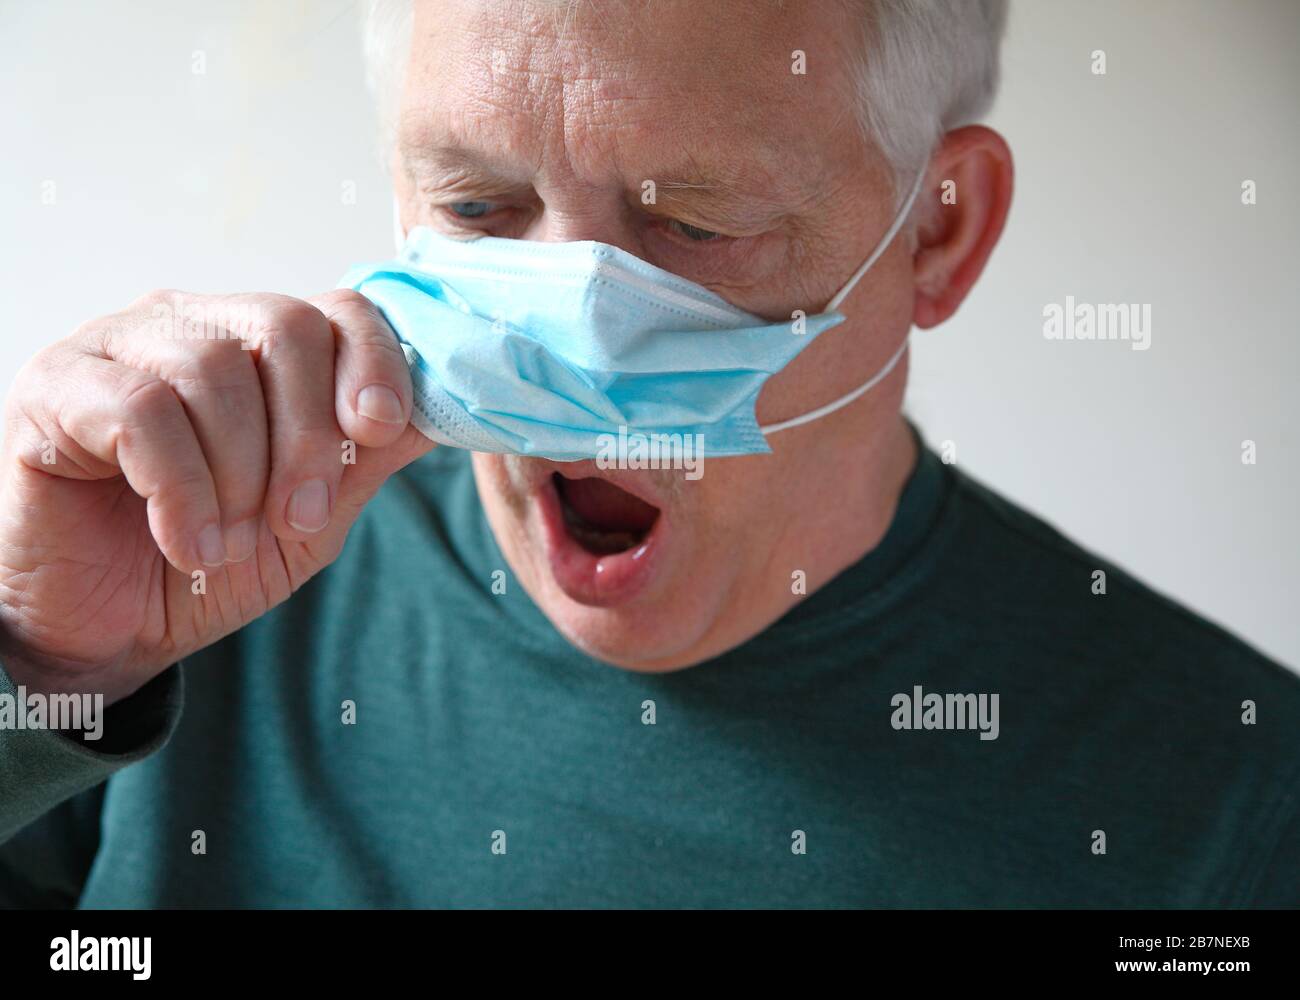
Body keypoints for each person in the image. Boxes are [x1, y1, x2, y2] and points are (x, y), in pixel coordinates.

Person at [0, 0, 1295, 908]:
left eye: (692, 221)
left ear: (937, 233)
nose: (573, 339)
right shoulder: (182, 600)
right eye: (475, 209)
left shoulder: (1235, 797)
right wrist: (42, 671)